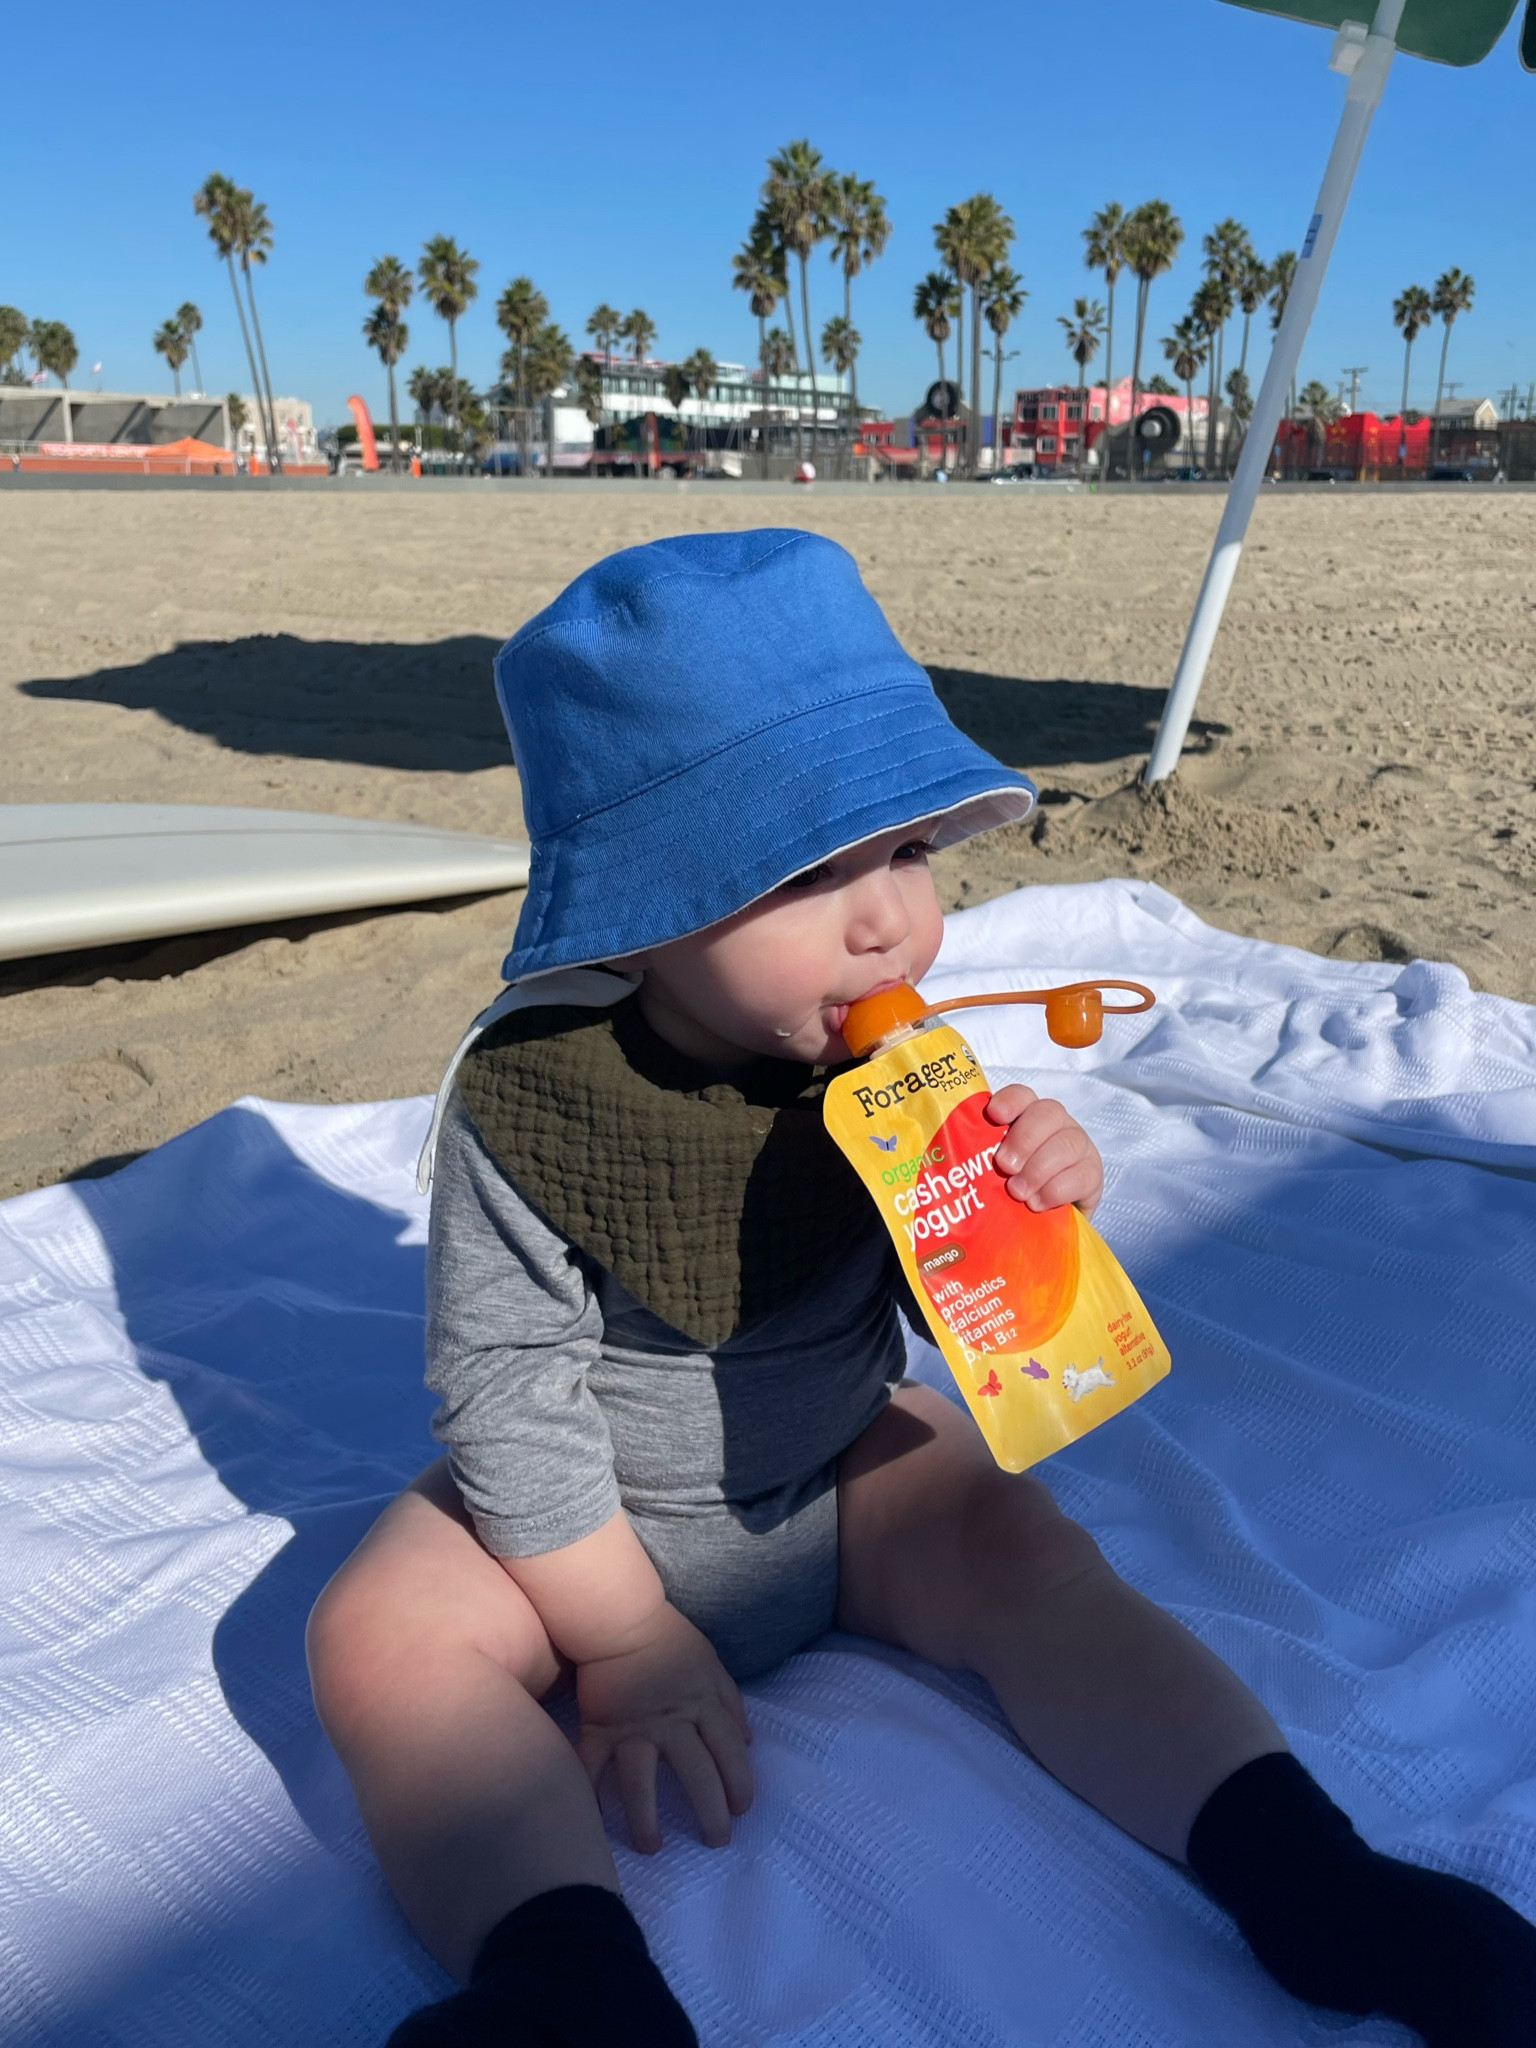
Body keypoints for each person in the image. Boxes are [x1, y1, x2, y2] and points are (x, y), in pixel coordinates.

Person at [307, 530, 1536, 2048]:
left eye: (904, 852)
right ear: (644, 910)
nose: (888, 918)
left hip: (833, 1458)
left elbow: (944, 1272)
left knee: (1031, 1560)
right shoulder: (537, 1096)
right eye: (808, 873)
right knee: (377, 1639)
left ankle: (1312, 1876)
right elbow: (503, 1384)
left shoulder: (887, 1060)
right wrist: (620, 1633)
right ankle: (566, 1977)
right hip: (585, 1516)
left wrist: (1032, 1187)